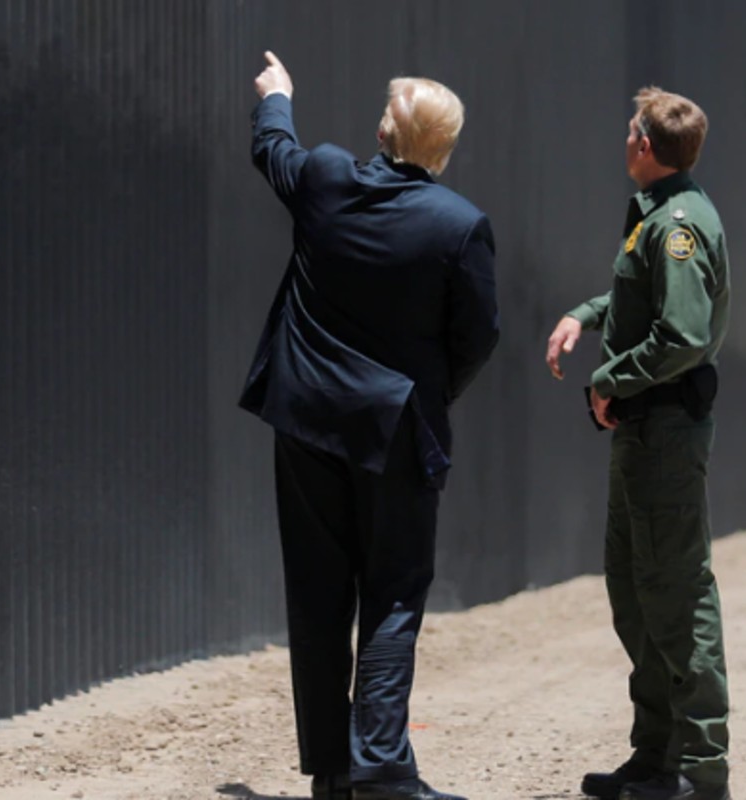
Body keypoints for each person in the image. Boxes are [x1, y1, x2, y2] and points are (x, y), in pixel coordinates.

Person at [241, 52, 499, 800]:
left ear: (385, 130)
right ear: (441, 149)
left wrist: (278, 97)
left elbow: (272, 150)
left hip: (306, 421)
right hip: (393, 432)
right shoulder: (460, 226)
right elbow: (477, 336)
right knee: (391, 591)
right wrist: (427, 394)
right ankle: (380, 767)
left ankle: (332, 770)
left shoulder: (325, 178)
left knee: (318, 592)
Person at [544, 87, 732, 800]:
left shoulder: (679, 224)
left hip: (663, 432)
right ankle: (654, 758)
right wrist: (586, 314)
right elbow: (640, 299)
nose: (625, 140)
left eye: (631, 131)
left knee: (676, 595)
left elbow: (681, 335)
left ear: (647, 147)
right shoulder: (656, 218)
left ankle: (700, 769)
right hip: (643, 431)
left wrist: (608, 380)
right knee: (635, 593)